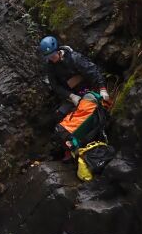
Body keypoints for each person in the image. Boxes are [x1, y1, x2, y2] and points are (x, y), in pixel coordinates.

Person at [39, 36, 111, 180]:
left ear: (58, 50)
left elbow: (94, 71)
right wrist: (71, 96)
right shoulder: (50, 66)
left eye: (52, 55)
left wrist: (102, 89)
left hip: (89, 91)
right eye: (48, 57)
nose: (51, 58)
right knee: (60, 115)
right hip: (73, 96)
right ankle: (69, 149)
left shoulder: (74, 58)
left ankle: (87, 140)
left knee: (87, 114)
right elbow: (56, 86)